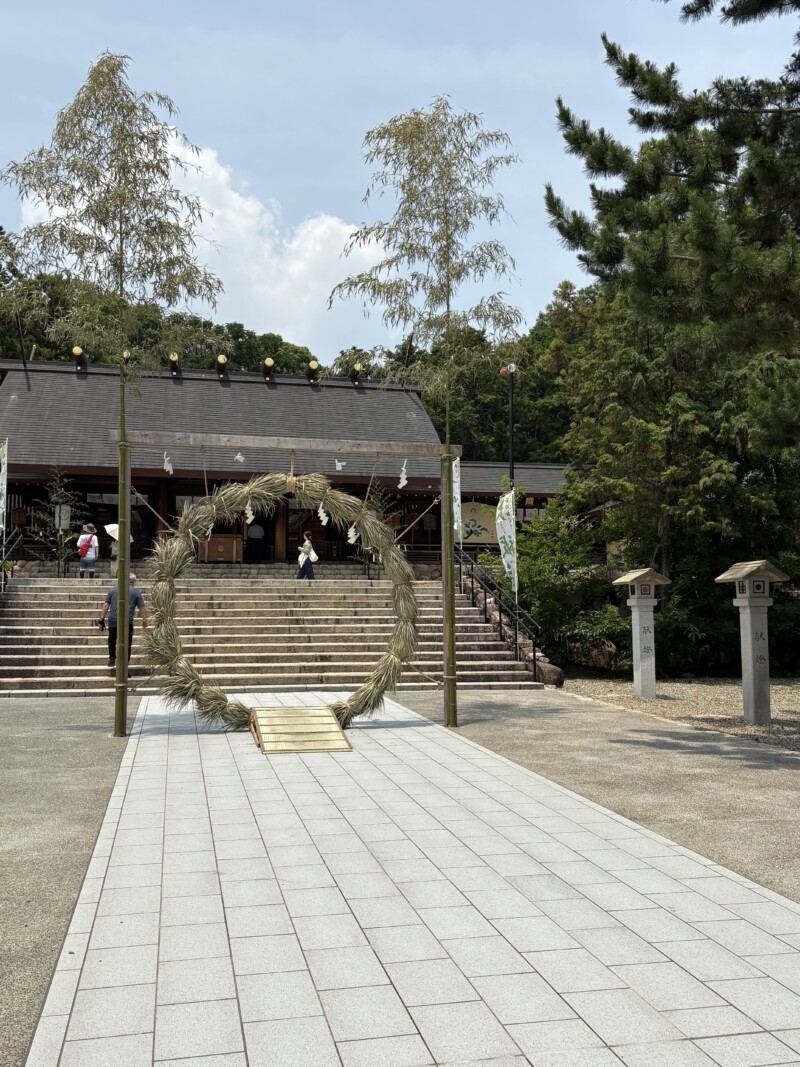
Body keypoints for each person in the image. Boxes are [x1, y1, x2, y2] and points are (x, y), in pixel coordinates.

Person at [100, 572, 149, 668]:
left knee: (112, 639)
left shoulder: (113, 590)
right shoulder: (136, 592)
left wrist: (102, 619)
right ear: (133, 582)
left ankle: (112, 658)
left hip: (113, 620)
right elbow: (142, 608)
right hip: (127, 622)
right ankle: (124, 667)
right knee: (127, 644)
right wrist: (145, 621)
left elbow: (106, 605)